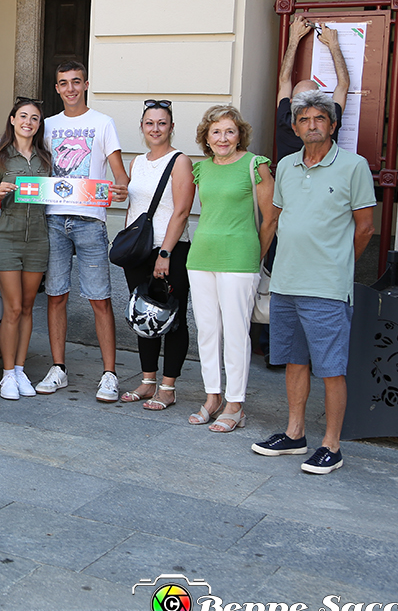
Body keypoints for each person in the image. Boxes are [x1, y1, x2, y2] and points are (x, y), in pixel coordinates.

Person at [253, 90, 375, 474]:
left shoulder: (354, 166)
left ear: (333, 125)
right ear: (295, 127)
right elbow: (273, 218)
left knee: (331, 367)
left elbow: (365, 228)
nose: (311, 125)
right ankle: (294, 434)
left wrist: (340, 265)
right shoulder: (286, 166)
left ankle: (331, 445)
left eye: (319, 119)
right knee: (294, 360)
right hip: (286, 282)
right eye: (303, 119)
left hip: (325, 286)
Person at [39, 62, 129, 399]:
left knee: (100, 298)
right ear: (58, 88)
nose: (71, 88)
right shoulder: (47, 125)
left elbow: (119, 173)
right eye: (64, 83)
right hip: (53, 217)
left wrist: (120, 187)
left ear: (86, 84)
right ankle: (58, 368)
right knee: (56, 294)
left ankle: (109, 373)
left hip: (90, 219)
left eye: (76, 82)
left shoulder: (103, 123)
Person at [185, 105, 272, 432]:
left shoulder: (255, 165)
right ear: (206, 137)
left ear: (240, 135)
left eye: (229, 131)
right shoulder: (201, 169)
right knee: (207, 331)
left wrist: (255, 256)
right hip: (202, 256)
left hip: (239, 259)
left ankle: (235, 404)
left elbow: (271, 217)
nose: (223, 138)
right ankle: (212, 397)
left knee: (236, 332)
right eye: (216, 132)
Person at [117, 100, 195, 411]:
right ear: (142, 127)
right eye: (150, 123)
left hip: (170, 250)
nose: (155, 129)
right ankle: (148, 381)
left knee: (172, 319)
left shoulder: (180, 161)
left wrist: (165, 253)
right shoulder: (137, 162)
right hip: (139, 252)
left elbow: (182, 210)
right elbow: (135, 207)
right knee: (143, 316)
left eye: (162, 123)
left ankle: (168, 386)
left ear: (172, 127)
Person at [0, 99, 51, 400]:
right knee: (11, 308)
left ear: (39, 125)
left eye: (34, 118)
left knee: (27, 307)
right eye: (23, 116)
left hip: (37, 238)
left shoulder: (45, 159)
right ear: (12, 120)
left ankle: (21, 369)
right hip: (6, 238)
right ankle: (7, 374)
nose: (28, 122)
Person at [275, 16, 349, 162]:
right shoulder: (327, 118)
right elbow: (343, 85)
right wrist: (333, 45)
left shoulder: (285, 118)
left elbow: (284, 80)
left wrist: (294, 38)